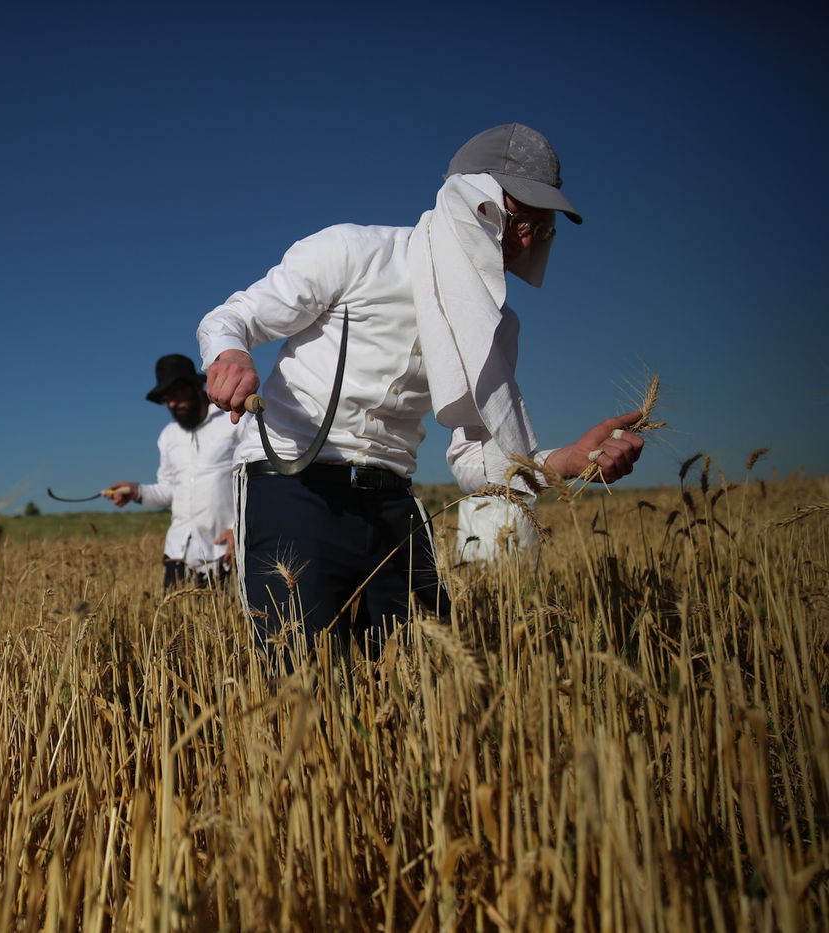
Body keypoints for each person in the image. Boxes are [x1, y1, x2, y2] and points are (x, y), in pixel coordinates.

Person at [199, 124, 643, 657]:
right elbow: (235, 316)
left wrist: (562, 461)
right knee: (302, 677)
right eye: (520, 218)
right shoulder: (354, 251)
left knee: (426, 680)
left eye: (541, 230)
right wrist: (230, 355)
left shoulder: (498, 327)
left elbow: (476, 457)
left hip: (392, 501)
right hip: (293, 485)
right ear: (472, 202)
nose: (526, 240)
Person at [107, 353, 245, 590]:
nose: (171, 402)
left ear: (196, 386)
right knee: (178, 624)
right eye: (166, 397)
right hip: (177, 554)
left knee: (227, 624)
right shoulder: (168, 436)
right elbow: (169, 491)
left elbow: (257, 482)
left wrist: (240, 529)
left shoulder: (235, 421)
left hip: (224, 552)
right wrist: (136, 491)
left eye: (176, 392)